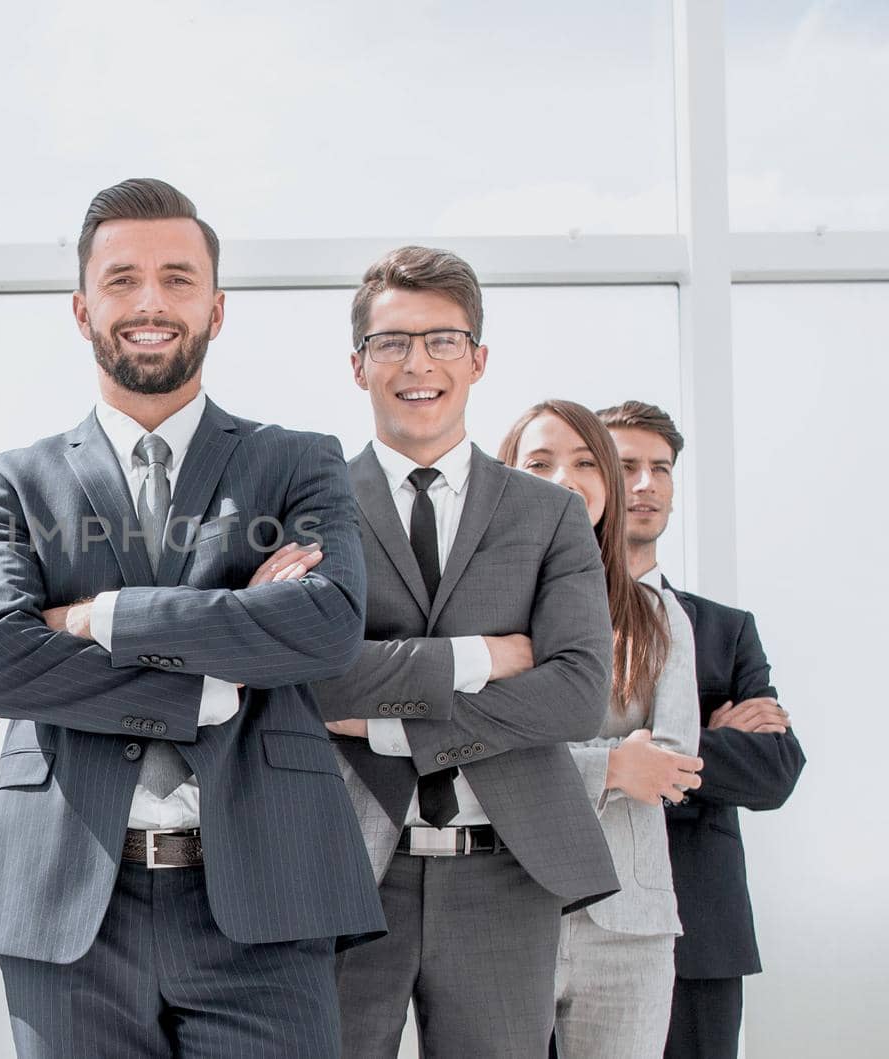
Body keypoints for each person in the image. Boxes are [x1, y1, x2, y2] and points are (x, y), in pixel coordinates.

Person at [0, 177, 382, 1058]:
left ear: (217, 308)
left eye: (178, 279)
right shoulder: (12, 481)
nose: (150, 302)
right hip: (67, 900)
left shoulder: (298, 462)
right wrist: (222, 652)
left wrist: (96, 615)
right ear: (81, 309)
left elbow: (327, 626)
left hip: (268, 897)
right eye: (122, 280)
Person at [312, 247, 620, 1058]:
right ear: (358, 365)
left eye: (442, 340)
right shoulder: (310, 510)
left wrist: (386, 725)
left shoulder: (550, 514)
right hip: (345, 868)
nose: (418, 363)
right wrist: (485, 656)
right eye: (392, 343)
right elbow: (311, 681)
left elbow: (577, 694)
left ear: (478, 358)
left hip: (506, 870)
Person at [597, 400, 806, 1059]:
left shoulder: (723, 629)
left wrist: (654, 754)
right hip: (571, 917)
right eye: (626, 465)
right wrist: (703, 741)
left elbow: (773, 772)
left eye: (661, 468)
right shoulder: (546, 620)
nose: (646, 484)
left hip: (700, 931)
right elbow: (533, 748)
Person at [499, 399, 704, 1056]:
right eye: (540, 461)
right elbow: (469, 749)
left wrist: (540, 748)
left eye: (587, 461)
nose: (565, 476)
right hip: (499, 910)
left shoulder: (658, 614)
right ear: (505, 478)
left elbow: (671, 764)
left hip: (629, 919)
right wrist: (612, 764)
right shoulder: (473, 608)